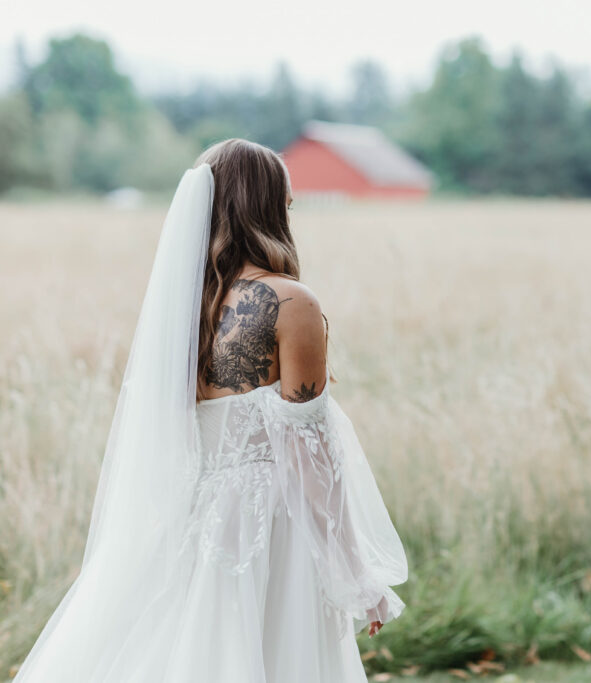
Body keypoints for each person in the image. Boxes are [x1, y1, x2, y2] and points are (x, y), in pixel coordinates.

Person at [14, 139, 408, 682]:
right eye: (287, 203)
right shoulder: (291, 303)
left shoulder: (185, 308)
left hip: (192, 517)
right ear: (267, 207)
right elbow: (310, 457)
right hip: (270, 527)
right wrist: (354, 574)